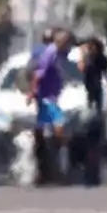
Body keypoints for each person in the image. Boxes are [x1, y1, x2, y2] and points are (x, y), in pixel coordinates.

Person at [29, 28, 70, 186]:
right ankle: (59, 160)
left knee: (43, 127)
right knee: (60, 127)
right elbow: (38, 74)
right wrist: (32, 92)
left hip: (49, 97)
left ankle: (46, 161)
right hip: (47, 98)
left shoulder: (58, 54)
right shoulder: (49, 54)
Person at [77, 37, 107, 186]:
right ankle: (91, 133)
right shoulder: (93, 58)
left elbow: (83, 68)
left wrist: (83, 55)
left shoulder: (96, 59)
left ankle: (92, 132)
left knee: (93, 114)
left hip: (94, 92)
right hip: (90, 91)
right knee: (92, 112)